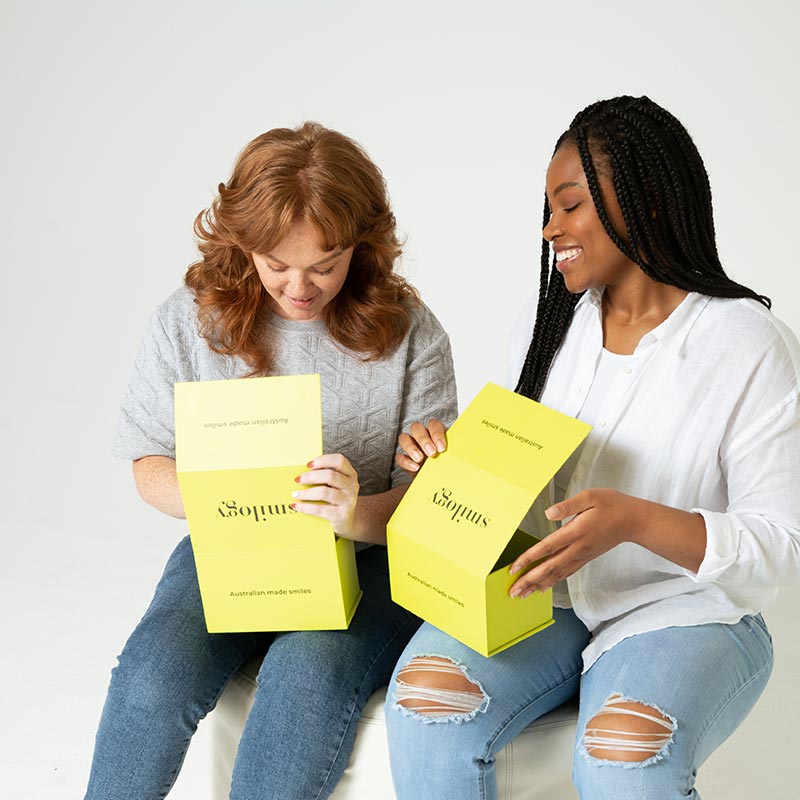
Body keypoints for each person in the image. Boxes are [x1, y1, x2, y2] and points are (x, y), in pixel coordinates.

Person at [385, 95, 800, 799]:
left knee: (622, 753)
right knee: (426, 703)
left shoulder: (747, 343)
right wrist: (447, 464)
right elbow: (515, 483)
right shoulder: (552, 324)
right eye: (547, 208)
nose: (551, 228)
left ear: (647, 203)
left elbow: (782, 544)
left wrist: (634, 521)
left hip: (686, 608)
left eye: (570, 205)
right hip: (545, 600)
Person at [84, 121, 457, 800]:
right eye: (276, 263)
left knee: (306, 675)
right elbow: (146, 461)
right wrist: (236, 502)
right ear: (241, 242)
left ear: (362, 246)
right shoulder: (189, 318)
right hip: (232, 546)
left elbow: (430, 500)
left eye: (325, 264)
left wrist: (354, 515)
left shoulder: (410, 331)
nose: (300, 287)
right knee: (152, 675)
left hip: (370, 561)